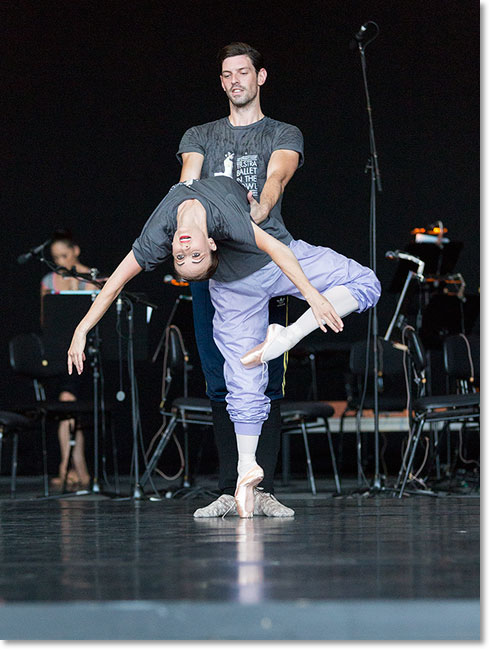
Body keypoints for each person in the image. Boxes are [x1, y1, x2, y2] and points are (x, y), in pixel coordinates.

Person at [67, 175, 381, 516]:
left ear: (212, 244)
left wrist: (312, 299)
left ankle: (286, 336)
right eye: (186, 257)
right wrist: (82, 328)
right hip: (233, 290)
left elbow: (277, 249)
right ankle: (247, 470)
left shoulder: (178, 227)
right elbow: (114, 283)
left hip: (273, 265)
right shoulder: (198, 227)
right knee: (243, 378)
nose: (185, 250)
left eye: (187, 255)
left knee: (365, 281)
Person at [177, 42, 304, 518]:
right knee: (218, 380)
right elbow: (188, 182)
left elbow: (278, 175)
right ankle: (231, 490)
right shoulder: (201, 135)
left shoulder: (282, 131)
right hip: (212, 274)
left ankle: (262, 487)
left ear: (261, 77)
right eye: (227, 74)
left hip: (263, 269)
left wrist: (261, 207)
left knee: (265, 375)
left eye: (243, 72)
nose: (235, 80)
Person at [41, 229, 95, 490]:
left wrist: (78, 282)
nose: (61, 262)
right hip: (59, 356)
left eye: (64, 255)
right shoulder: (49, 282)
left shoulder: (92, 278)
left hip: (88, 355)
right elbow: (47, 321)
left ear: (75, 251)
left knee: (73, 405)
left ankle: (72, 467)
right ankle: (73, 467)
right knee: (66, 402)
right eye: (55, 257)